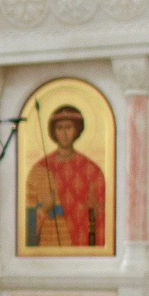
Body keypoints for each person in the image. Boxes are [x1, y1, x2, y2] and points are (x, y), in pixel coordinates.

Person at [24, 103, 107, 248]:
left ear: (77, 129)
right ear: (53, 131)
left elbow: (102, 215)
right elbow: (25, 222)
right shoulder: (40, 169)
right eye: (59, 128)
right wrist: (44, 208)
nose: (64, 133)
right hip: (51, 241)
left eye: (69, 127)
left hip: (81, 241)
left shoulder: (92, 170)